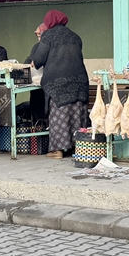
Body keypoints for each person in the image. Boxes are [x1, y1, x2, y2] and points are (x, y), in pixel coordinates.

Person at [27, 9, 89, 159]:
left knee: (59, 115)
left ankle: (58, 150)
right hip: (80, 81)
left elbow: (39, 59)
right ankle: (78, 147)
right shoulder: (75, 37)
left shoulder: (48, 36)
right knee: (76, 113)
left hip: (58, 83)